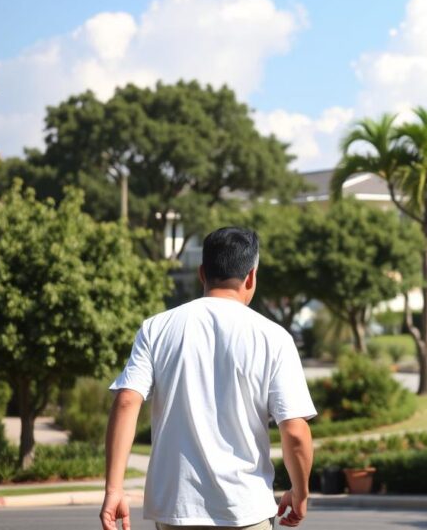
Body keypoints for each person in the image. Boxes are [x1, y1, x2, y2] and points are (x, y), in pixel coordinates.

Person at [100, 227, 317, 530]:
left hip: (175, 510)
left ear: (202, 273)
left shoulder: (157, 328)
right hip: (245, 510)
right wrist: (300, 492)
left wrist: (114, 490)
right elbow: (294, 432)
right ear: (251, 277)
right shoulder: (274, 338)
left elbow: (126, 401)